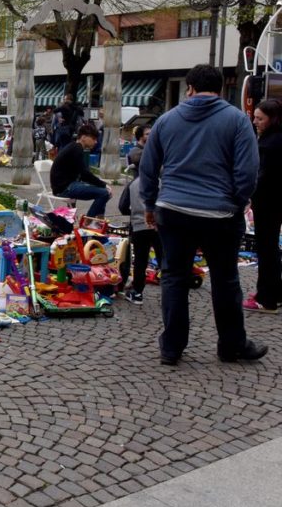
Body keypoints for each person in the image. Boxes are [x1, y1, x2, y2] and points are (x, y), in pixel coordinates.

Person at [139, 64, 264, 365]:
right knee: (225, 279)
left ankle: (171, 347)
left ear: (190, 88)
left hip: (173, 210)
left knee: (173, 278)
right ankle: (232, 345)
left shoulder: (166, 121)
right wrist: (237, 200)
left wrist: (150, 203)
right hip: (220, 214)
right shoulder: (237, 120)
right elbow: (248, 170)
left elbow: (148, 167)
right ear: (220, 89)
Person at [245, 99, 282, 313]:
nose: (255, 121)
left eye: (260, 118)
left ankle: (266, 298)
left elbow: (263, 176)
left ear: (272, 119)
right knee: (271, 250)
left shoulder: (270, 144)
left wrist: (249, 196)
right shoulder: (274, 139)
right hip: (273, 201)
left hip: (268, 202)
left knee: (266, 249)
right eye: (255, 117)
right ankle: (274, 292)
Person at [120, 146, 162, 306]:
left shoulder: (133, 185)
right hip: (159, 226)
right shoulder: (160, 182)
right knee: (163, 257)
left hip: (139, 226)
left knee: (140, 260)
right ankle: (173, 290)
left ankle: (137, 292)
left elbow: (123, 207)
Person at [50, 123, 111, 217]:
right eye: (93, 139)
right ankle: (89, 221)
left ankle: (98, 220)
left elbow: (83, 174)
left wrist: (101, 185)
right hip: (64, 188)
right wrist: (104, 185)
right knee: (104, 193)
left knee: (103, 191)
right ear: (84, 137)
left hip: (63, 186)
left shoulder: (74, 146)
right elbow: (85, 174)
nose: (95, 142)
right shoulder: (77, 148)